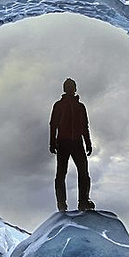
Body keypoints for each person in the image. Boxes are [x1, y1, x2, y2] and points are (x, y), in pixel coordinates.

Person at [49, 78, 94, 212]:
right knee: (62, 174)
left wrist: (88, 143)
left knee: (83, 172)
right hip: (64, 142)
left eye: (71, 86)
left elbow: (84, 126)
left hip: (75, 142)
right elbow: (53, 124)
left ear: (75, 89)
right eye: (68, 86)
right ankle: (63, 204)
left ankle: (83, 201)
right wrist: (52, 142)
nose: (70, 89)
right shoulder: (59, 105)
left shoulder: (80, 107)